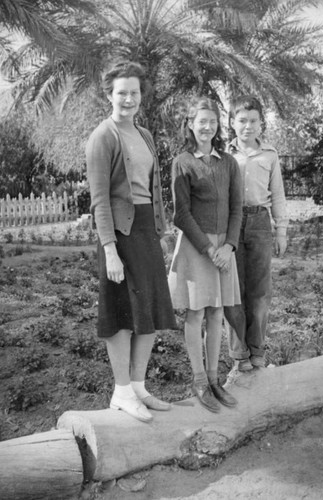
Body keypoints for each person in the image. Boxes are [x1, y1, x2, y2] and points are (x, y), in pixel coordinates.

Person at [86, 62, 176, 423]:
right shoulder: (102, 137)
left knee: (150, 313)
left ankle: (138, 386)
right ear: (109, 94)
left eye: (134, 92)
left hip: (144, 231)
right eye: (121, 92)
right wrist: (109, 250)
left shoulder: (145, 135)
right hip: (119, 236)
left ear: (141, 96)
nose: (128, 99)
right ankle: (121, 392)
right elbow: (99, 199)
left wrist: (161, 230)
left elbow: (152, 191)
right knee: (122, 315)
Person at [168, 97, 242, 413]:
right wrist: (209, 248)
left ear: (218, 125)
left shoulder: (229, 163)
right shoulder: (182, 162)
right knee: (196, 314)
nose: (207, 126)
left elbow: (237, 208)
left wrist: (228, 247)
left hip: (224, 250)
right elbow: (181, 214)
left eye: (212, 121)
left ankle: (214, 380)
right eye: (201, 121)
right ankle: (198, 380)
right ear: (190, 124)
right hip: (196, 248)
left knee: (216, 314)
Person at [224, 95, 288, 373]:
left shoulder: (270, 155)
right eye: (242, 121)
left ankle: (258, 350)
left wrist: (281, 230)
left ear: (261, 124)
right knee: (233, 290)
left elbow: (278, 195)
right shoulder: (224, 155)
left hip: (260, 223)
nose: (247, 126)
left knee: (259, 292)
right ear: (231, 123)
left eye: (253, 121)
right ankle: (239, 354)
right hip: (231, 225)